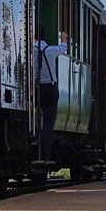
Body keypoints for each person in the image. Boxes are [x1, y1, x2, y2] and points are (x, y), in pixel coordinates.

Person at [34, 25, 69, 163]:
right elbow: (63, 48)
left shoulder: (31, 51)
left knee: (31, 119)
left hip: (37, 89)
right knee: (48, 124)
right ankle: (45, 156)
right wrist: (63, 39)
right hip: (51, 88)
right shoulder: (50, 50)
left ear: (34, 36)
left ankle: (33, 146)